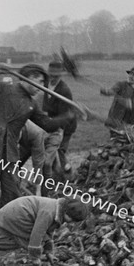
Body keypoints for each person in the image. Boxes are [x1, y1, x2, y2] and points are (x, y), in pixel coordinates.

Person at [0, 64, 76, 250]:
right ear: (29, 77)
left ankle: (2, 236)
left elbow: (47, 124)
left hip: (10, 151)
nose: (41, 85)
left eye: (44, 82)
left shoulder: (31, 104)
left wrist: (69, 115)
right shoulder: (4, 89)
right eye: (39, 81)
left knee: (12, 195)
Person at [37, 60, 77, 196]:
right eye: (51, 74)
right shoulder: (46, 83)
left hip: (65, 125)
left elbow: (64, 117)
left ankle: (68, 178)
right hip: (52, 122)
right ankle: (57, 175)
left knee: (60, 151)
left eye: (56, 75)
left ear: (61, 75)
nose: (53, 77)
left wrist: (50, 125)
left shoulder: (64, 91)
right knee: (52, 154)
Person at [100, 65, 134, 131]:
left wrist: (132, 105)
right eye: (131, 74)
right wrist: (106, 91)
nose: (132, 77)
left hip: (131, 122)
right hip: (116, 119)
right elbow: (111, 91)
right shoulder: (121, 85)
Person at [18, 120, 46, 195]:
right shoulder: (9, 124)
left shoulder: (36, 133)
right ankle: (15, 186)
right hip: (23, 142)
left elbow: (38, 163)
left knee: (44, 165)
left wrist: (38, 191)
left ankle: (42, 191)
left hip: (37, 140)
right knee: (15, 163)